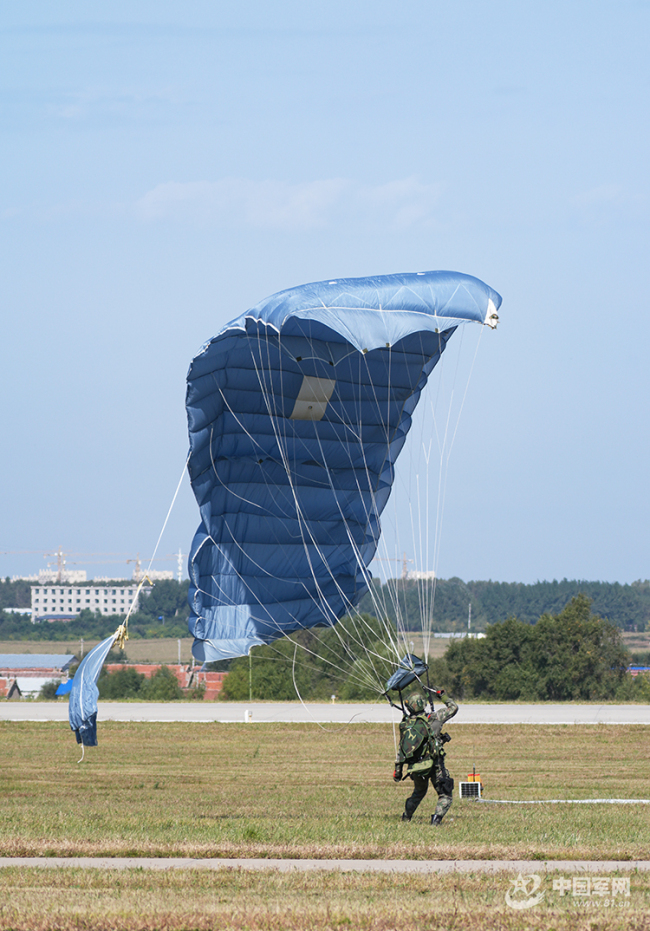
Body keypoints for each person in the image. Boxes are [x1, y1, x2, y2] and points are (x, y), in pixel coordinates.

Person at [393, 689, 458, 825]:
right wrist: (442, 696)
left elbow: (402, 749)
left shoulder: (405, 725)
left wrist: (398, 772)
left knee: (419, 792)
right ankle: (436, 820)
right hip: (434, 765)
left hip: (416, 768)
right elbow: (453, 708)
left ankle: (406, 817)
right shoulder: (435, 718)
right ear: (423, 704)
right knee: (445, 794)